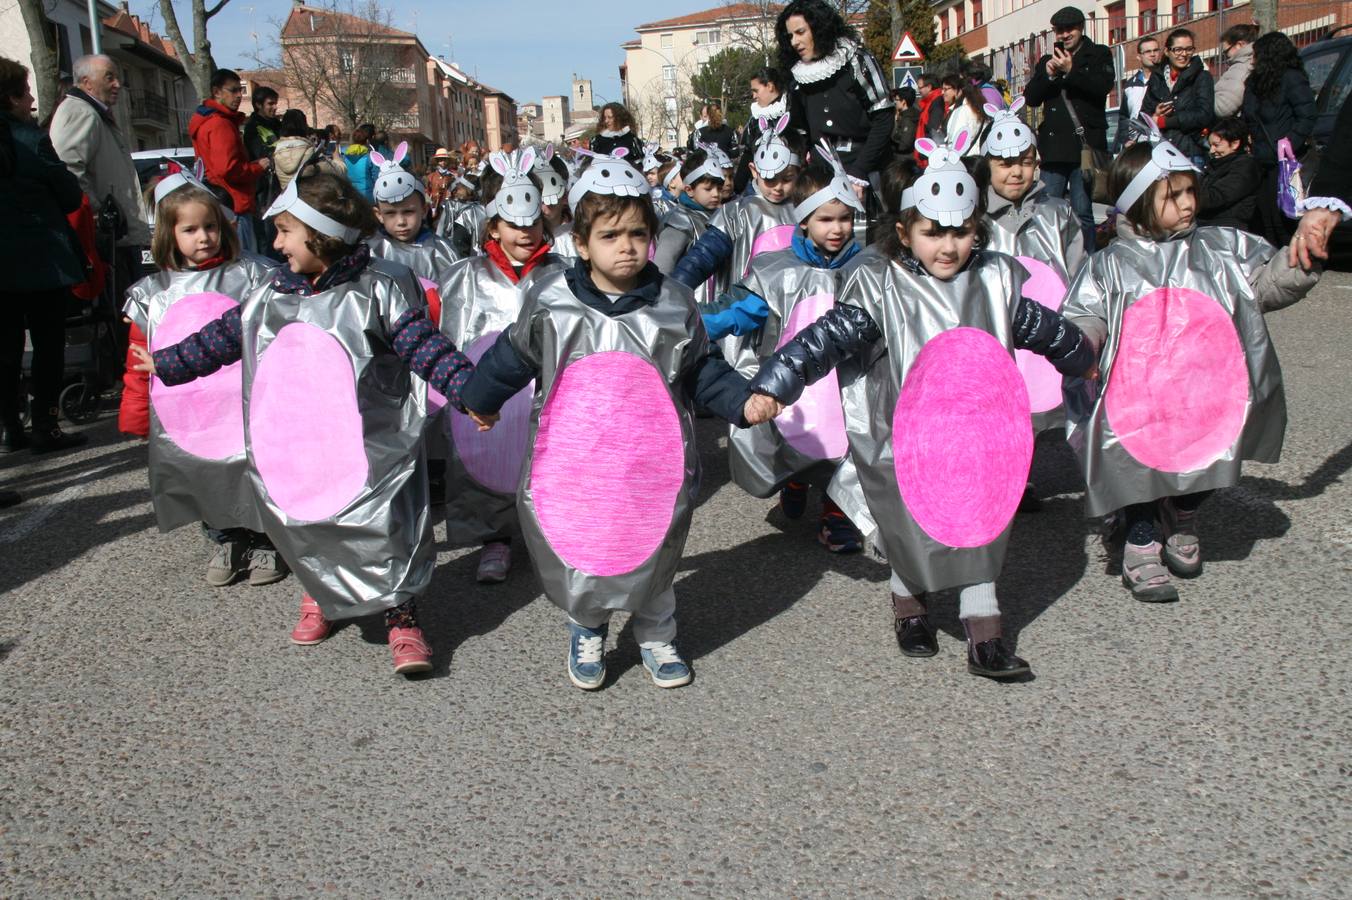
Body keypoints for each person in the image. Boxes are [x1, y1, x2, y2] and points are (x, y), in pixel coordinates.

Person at [746, 132, 1095, 680]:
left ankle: (985, 632)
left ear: (977, 229)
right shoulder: (881, 285)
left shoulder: (994, 280)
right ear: (905, 232)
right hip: (906, 435)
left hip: (980, 434)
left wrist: (1082, 355)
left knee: (979, 521)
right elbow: (826, 339)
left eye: (960, 231)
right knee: (910, 520)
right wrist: (774, 385)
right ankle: (909, 606)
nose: (948, 246)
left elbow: (1043, 329)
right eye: (934, 233)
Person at [132, 172, 478, 676]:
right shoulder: (270, 291)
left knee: (386, 525)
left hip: (368, 442)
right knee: (306, 516)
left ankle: (401, 617)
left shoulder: (380, 287)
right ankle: (321, 593)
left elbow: (424, 347)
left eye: (285, 233)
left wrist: (472, 393)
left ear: (322, 235)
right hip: (296, 439)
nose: (275, 244)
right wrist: (169, 363)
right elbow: (222, 337)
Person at [457, 154, 758, 691]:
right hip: (579, 461)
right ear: (581, 241)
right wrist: (482, 398)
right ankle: (588, 626)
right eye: (610, 235)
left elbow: (702, 367)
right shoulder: (552, 302)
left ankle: (656, 631)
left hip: (650, 462)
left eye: (639, 233)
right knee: (588, 547)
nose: (627, 247)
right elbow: (512, 355)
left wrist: (741, 401)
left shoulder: (673, 303)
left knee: (654, 548)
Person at [1060, 125, 1320, 604]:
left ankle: (1182, 510)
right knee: (1133, 460)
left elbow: (1263, 286)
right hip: (1138, 394)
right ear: (1139, 202)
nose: (1186, 204)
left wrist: (1299, 266)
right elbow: (1085, 313)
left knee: (1210, 455)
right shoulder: (1111, 264)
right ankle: (1140, 535)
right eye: (1171, 195)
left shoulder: (1221, 248)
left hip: (1205, 389)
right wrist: (1083, 342)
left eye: (1189, 192)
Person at [120, 170, 285, 586]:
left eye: (210, 226)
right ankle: (225, 536)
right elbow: (138, 357)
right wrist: (137, 411)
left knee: (254, 466)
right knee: (203, 470)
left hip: (247, 402)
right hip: (191, 408)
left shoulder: (252, 275)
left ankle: (267, 539)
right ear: (169, 234)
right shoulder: (153, 293)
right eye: (190, 229)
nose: (204, 237)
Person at [703, 151, 865, 552]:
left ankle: (836, 513)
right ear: (805, 219)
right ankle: (794, 478)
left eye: (844, 218)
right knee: (795, 437)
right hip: (791, 378)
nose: (838, 228)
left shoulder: (868, 269)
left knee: (848, 444)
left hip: (848, 383)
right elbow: (735, 310)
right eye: (826, 219)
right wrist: (683, 325)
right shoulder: (777, 269)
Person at [436, 149, 558, 585]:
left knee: (546, 460)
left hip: (545, 393)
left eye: (532, 222)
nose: (525, 231)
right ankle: (495, 538)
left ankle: (552, 537)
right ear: (493, 225)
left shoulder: (563, 276)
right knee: (489, 457)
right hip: (493, 396)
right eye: (514, 223)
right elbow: (447, 338)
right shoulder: (463, 277)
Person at [978, 98, 1086, 510]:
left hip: (1045, 327)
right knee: (997, 401)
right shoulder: (977, 219)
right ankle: (1001, 476)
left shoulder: (1057, 213)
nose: (1016, 171)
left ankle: (1019, 476)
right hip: (996, 325)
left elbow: (1077, 268)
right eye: (1005, 163)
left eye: (1024, 161)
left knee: (1035, 402)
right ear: (988, 165)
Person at [0, 57, 89, 454]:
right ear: (11, 97)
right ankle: (45, 425)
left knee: (4, 351)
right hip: (40, 260)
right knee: (48, 346)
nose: (31, 98)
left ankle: (9, 427)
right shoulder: (28, 139)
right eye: (25, 92)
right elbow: (70, 194)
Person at [49, 54, 151, 311]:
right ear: (86, 82)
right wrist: (100, 213)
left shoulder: (94, 112)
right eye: (109, 77)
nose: (118, 83)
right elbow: (68, 169)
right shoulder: (79, 111)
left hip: (116, 237)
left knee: (127, 310)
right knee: (118, 313)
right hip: (106, 239)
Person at [671, 118, 804, 301]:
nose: (778, 187)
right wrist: (674, 292)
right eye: (770, 178)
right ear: (754, 170)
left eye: (787, 179)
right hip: (746, 309)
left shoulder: (804, 211)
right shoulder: (736, 212)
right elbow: (702, 257)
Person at [777, 0, 893, 198]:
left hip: (867, 171)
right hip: (820, 175)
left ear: (818, 28)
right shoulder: (797, 76)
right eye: (790, 36)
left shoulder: (856, 60)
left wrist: (859, 171)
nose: (794, 42)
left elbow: (883, 116)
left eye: (800, 32)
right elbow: (800, 132)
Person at [1022, 6, 1114, 252]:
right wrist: (1049, 75)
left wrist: (1071, 71)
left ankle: (1089, 259)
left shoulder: (1099, 54)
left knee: (1083, 211)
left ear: (1081, 28)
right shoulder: (1047, 60)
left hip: (1085, 148)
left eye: (1069, 29)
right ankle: (1052, 257)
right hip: (1054, 150)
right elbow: (1030, 97)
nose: (1064, 35)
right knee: (1047, 209)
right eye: (1059, 31)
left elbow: (1101, 87)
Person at [1243, 31, 1317, 247]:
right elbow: (1248, 115)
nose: (1252, 59)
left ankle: (1289, 262)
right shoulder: (1255, 82)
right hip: (1261, 157)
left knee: (1284, 216)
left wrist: (1289, 142)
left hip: (1285, 160)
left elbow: (1308, 115)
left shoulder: (1291, 78)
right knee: (1265, 215)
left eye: (1256, 54)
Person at [189, 68, 272, 254]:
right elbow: (228, 168)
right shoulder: (220, 124)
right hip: (234, 203)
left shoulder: (209, 121)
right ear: (217, 92)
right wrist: (257, 167)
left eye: (240, 90)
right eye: (233, 90)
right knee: (244, 265)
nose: (238, 96)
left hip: (223, 201)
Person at [653, 149, 724, 292]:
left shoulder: (720, 214)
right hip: (691, 303)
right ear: (689, 189)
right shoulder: (679, 223)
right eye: (708, 189)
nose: (716, 194)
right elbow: (662, 268)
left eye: (719, 188)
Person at [1143, 29, 1214, 168]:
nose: (1184, 54)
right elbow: (1143, 114)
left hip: (1190, 152)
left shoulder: (1202, 77)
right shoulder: (1157, 78)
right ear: (1167, 51)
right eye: (1178, 49)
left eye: (1189, 49)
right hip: (1161, 153)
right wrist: (1155, 115)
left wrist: (1166, 121)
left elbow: (1204, 114)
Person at [735, 68, 793, 193]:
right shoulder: (755, 118)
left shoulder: (793, 110)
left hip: (788, 186)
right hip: (761, 185)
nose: (754, 96)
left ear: (770, 86)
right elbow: (748, 153)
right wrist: (737, 187)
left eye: (756, 91)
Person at [1199, 116, 1261, 231]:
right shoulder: (1215, 164)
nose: (1211, 151)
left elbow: (1218, 196)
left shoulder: (1245, 166)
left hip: (1228, 230)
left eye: (1216, 145)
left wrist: (1188, 196)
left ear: (1234, 144)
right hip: (1206, 224)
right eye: (1210, 145)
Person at [1115, 37, 1163, 151]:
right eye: (1147, 52)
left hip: (1161, 142)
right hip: (1137, 147)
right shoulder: (1130, 85)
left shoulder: (1166, 79)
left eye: (1156, 50)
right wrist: (1126, 140)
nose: (1153, 54)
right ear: (1139, 57)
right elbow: (1124, 117)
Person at [1214, 23, 1259, 119]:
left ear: (1240, 45)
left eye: (1226, 51)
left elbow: (1223, 107)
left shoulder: (1242, 67)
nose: (1226, 57)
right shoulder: (1254, 61)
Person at [941, 74, 988, 157]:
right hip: (981, 157)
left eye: (945, 89)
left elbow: (954, 139)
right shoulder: (981, 109)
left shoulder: (961, 111)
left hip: (965, 159)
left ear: (959, 92)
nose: (942, 92)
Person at [341, 123, 378, 202]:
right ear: (367, 140)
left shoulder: (343, 154)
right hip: (368, 196)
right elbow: (377, 177)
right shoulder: (370, 157)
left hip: (350, 196)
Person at [915, 72, 947, 147]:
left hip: (930, 150)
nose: (918, 90)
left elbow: (933, 130)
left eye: (920, 87)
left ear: (929, 87)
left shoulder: (937, 103)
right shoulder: (929, 102)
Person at [425, 147, 455, 215]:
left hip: (449, 206)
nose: (443, 162)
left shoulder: (453, 176)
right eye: (440, 160)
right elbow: (426, 192)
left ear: (448, 161)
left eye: (445, 160)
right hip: (434, 208)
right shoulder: (430, 177)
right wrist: (431, 207)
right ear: (437, 161)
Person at [890, 87, 919, 158]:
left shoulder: (909, 119)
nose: (895, 102)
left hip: (903, 158)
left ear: (903, 102)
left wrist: (893, 149)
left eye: (897, 100)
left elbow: (905, 143)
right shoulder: (904, 115)